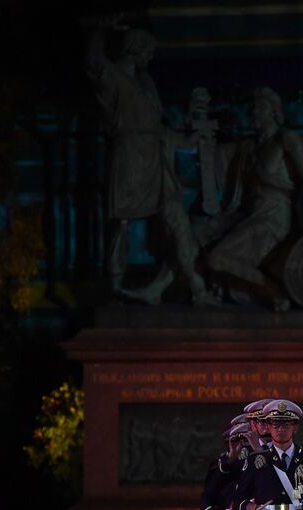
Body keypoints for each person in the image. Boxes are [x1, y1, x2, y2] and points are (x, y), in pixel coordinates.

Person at [84, 15, 211, 305]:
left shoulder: (146, 82)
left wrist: (186, 141)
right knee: (122, 221)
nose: (151, 58)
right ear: (134, 52)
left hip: (156, 161)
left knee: (176, 218)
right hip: (130, 159)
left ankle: (195, 286)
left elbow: (157, 129)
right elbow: (93, 64)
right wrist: (99, 30)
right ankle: (115, 283)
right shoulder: (114, 78)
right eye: (147, 53)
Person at [200, 87, 303, 311]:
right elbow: (212, 154)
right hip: (249, 214)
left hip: (274, 218)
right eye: (251, 109)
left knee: (216, 258)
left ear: (274, 111)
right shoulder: (249, 147)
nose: (253, 113)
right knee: (201, 234)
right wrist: (200, 130)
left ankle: (274, 291)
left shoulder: (285, 138)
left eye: (258, 108)